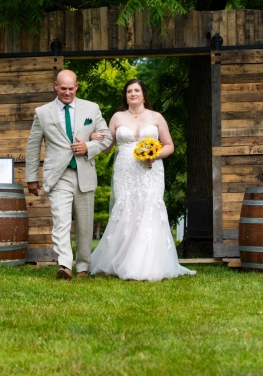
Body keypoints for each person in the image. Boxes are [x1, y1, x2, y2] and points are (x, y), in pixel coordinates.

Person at [88, 79, 196, 281]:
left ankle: (147, 263)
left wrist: (155, 155)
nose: (133, 94)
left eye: (136, 90)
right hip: (125, 171)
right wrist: (93, 137)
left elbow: (169, 145)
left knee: (149, 207)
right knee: (126, 209)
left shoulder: (156, 117)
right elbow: (108, 146)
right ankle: (121, 260)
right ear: (125, 95)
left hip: (150, 170)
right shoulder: (117, 117)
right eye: (129, 91)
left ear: (144, 94)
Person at [26, 70, 113, 280]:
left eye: (70, 88)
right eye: (63, 88)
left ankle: (83, 267)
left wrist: (88, 146)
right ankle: (65, 265)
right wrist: (31, 177)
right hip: (58, 175)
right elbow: (33, 146)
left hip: (84, 172)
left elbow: (108, 137)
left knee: (85, 225)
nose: (67, 92)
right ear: (55, 86)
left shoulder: (91, 108)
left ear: (77, 86)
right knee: (61, 221)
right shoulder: (42, 112)